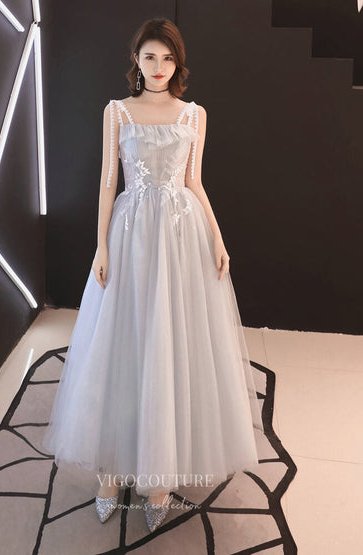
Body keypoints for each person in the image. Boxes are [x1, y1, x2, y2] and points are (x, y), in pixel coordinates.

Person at [42, 17, 264, 534]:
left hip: (182, 236)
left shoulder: (194, 114)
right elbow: (107, 183)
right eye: (149, 57)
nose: (158, 67)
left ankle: (159, 473)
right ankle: (112, 467)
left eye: (167, 58)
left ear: (177, 63)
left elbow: (195, 182)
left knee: (170, 343)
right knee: (123, 342)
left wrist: (218, 238)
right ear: (136, 61)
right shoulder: (117, 112)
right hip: (132, 234)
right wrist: (101, 246)